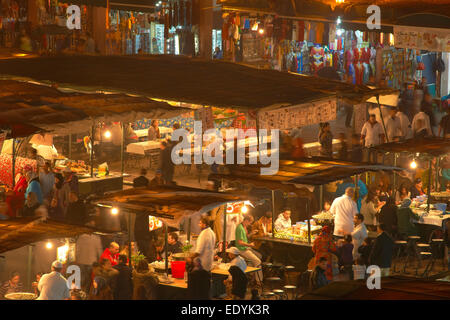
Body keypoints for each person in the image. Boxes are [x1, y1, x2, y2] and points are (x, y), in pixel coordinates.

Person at [235, 214, 263, 281]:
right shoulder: (240, 228)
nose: (250, 224)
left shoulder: (244, 226)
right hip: (242, 249)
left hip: (246, 248)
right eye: (250, 222)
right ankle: (259, 281)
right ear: (246, 220)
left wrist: (251, 233)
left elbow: (245, 237)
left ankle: (251, 275)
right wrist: (250, 245)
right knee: (258, 261)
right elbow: (240, 242)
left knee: (259, 256)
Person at [75, 228, 103, 292]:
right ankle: (86, 293)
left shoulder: (81, 237)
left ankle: (80, 292)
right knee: (89, 279)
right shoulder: (96, 238)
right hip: (92, 261)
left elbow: (77, 249)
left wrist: (76, 259)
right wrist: (99, 260)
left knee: (82, 278)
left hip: (81, 261)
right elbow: (99, 250)